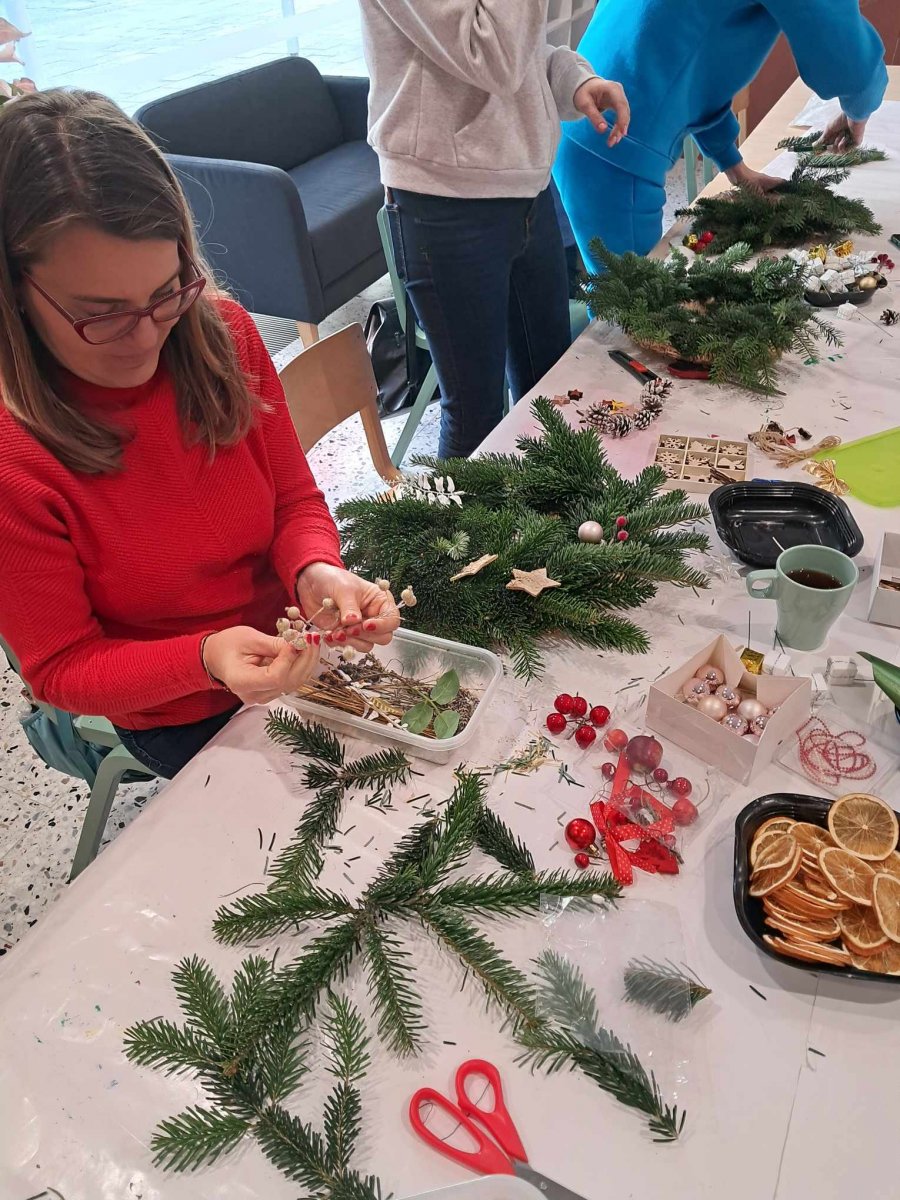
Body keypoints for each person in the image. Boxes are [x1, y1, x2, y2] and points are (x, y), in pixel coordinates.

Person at [0, 89, 400, 779]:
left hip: (289, 646)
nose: (148, 335)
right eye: (103, 314)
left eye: (167, 291)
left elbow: (293, 503)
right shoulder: (17, 457)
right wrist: (203, 658)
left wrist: (314, 569)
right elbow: (62, 668)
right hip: (173, 702)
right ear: (13, 291)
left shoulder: (225, 335)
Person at [358, 0, 629, 458]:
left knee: (551, 395)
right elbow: (493, 56)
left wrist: (571, 77)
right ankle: (455, 533)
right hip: (444, 204)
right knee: (475, 421)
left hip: (528, 188)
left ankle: (556, 528)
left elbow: (524, 45)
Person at [554, 0, 889, 268]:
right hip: (612, 140)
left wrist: (734, 167)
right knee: (629, 316)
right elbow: (845, 60)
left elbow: (694, 56)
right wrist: (858, 112)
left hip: (592, 111)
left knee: (623, 301)